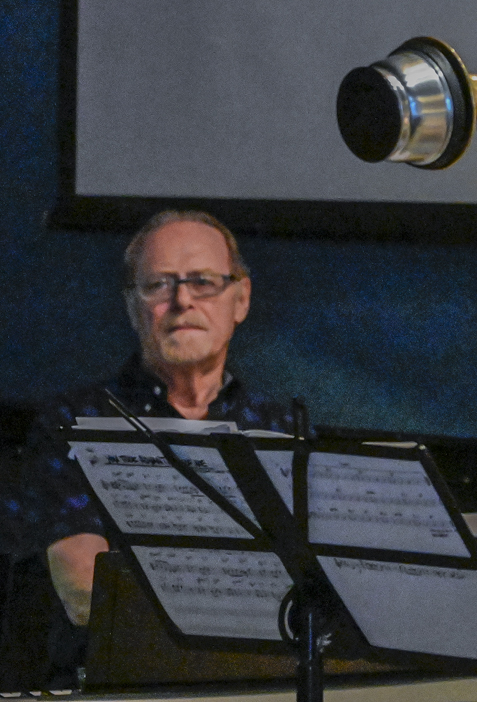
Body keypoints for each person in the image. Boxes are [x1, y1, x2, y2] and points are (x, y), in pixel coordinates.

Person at [15, 210, 292, 679]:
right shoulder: (73, 422)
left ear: (240, 299)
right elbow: (84, 588)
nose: (182, 300)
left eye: (203, 281)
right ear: (131, 305)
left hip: (265, 679)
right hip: (124, 682)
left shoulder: (280, 427)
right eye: (158, 285)